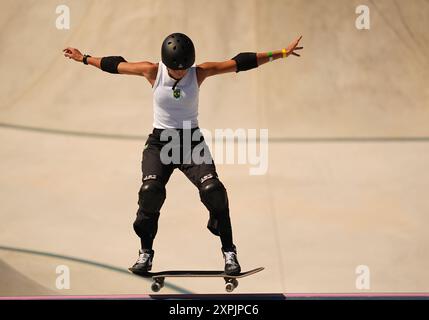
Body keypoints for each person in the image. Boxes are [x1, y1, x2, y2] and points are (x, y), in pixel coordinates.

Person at [63, 33, 303, 275]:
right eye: (175, 69)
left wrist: (281, 53)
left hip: (191, 142)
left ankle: (229, 252)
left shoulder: (199, 72)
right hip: (160, 143)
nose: (181, 73)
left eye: (185, 69)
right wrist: (84, 58)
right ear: (165, 63)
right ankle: (145, 254)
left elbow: (240, 62)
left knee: (214, 192)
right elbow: (115, 65)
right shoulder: (151, 71)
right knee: (150, 192)